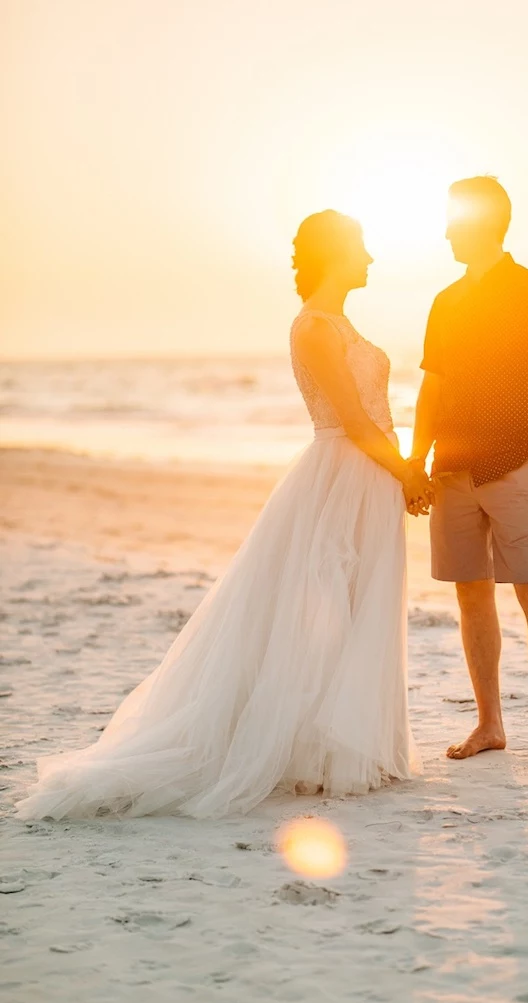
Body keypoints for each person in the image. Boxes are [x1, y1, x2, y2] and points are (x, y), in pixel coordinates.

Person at [16, 210, 431, 820]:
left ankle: (346, 745)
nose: (370, 258)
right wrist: (407, 473)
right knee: (320, 607)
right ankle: (312, 752)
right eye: (361, 248)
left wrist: (399, 473)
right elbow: (353, 418)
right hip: (341, 475)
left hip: (367, 476)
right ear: (336, 255)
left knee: (360, 603)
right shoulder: (314, 327)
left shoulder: (341, 322)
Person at [410, 177, 528, 774]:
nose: (446, 232)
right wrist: (417, 460)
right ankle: (490, 724)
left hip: (515, 468)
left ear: (483, 224)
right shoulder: (445, 301)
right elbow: (431, 390)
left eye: (454, 221)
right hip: (452, 471)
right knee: (471, 598)